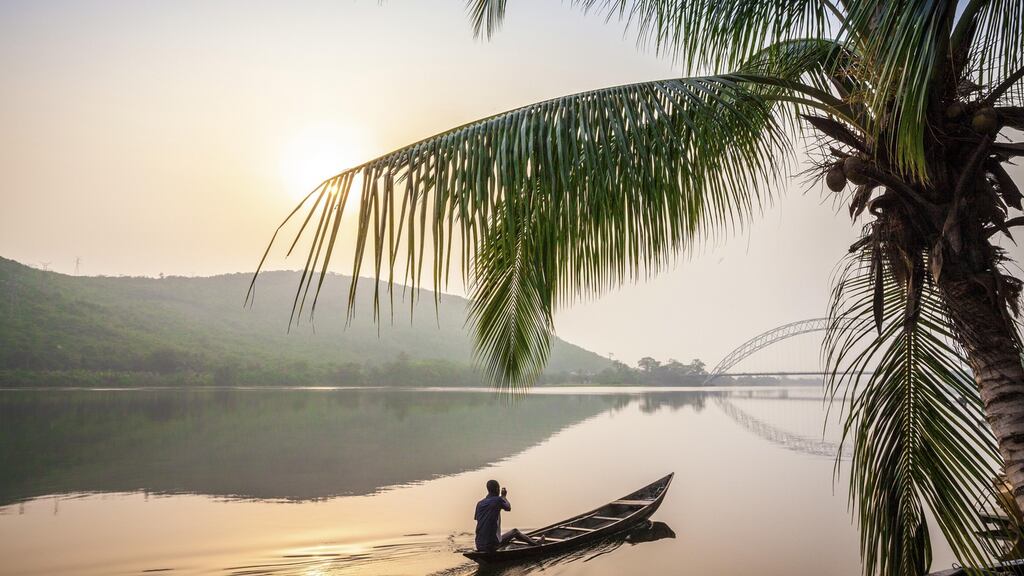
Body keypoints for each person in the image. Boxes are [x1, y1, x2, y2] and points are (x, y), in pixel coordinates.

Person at [474, 479, 539, 552]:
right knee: (515, 532)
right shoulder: (498, 500)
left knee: (501, 537)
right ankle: (537, 544)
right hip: (492, 545)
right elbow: (508, 508)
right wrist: (503, 496)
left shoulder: (479, 504)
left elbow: (479, 520)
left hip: (478, 545)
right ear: (497, 489)